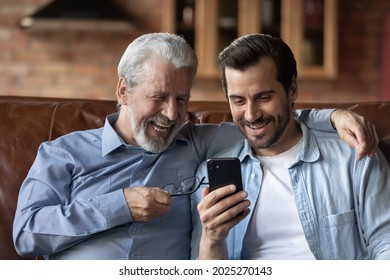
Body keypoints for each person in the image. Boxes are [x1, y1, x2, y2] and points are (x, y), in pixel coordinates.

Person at [13, 32, 377, 260]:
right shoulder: (64, 153)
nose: (172, 114)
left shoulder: (199, 142)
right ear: (123, 91)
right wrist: (119, 205)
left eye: (182, 99)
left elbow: (267, 122)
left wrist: (331, 116)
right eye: (158, 97)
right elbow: (26, 235)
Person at [190, 33, 390, 260]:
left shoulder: (354, 155)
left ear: (292, 90)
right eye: (238, 101)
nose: (251, 115)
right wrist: (212, 239)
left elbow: (385, 241)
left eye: (264, 98)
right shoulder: (209, 177)